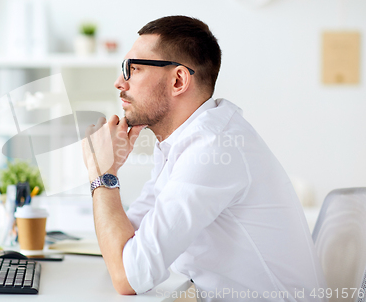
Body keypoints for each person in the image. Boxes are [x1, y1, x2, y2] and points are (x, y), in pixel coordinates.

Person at [82, 15, 326, 301]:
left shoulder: (213, 149)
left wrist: (102, 173)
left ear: (178, 80)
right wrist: (107, 171)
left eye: (132, 69)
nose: (119, 83)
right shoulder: (181, 145)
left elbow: (128, 276)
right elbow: (122, 248)